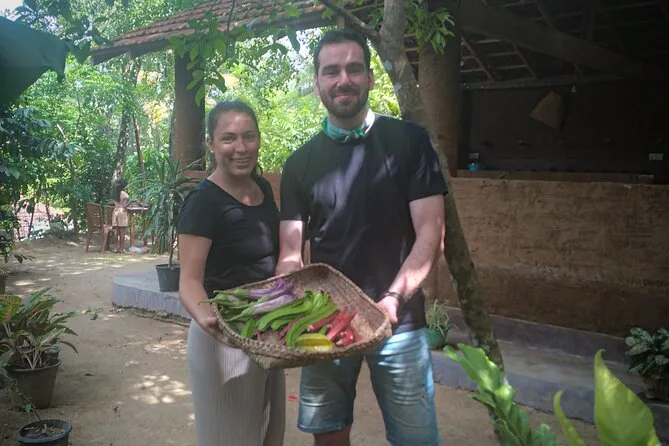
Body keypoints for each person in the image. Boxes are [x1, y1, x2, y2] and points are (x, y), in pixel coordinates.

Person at [276, 29, 447, 446]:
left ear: (370, 77)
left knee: (416, 440)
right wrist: (288, 305)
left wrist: (393, 299)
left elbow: (431, 233)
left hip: (399, 322)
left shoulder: (409, 142)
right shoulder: (299, 164)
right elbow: (290, 253)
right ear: (317, 82)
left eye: (354, 69)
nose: (343, 80)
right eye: (331, 71)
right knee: (328, 434)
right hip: (326, 325)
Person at [177, 100, 285, 446]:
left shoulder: (262, 187)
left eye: (249, 136)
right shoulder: (203, 202)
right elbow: (189, 281)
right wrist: (211, 322)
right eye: (228, 138)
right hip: (223, 339)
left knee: (269, 433)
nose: (241, 147)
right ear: (211, 143)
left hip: (266, 331)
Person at [111, 178, 129, 253]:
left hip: (115, 211)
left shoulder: (114, 194)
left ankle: (115, 248)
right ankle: (121, 249)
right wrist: (132, 202)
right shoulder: (124, 194)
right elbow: (124, 205)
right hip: (122, 212)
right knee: (122, 231)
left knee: (115, 230)